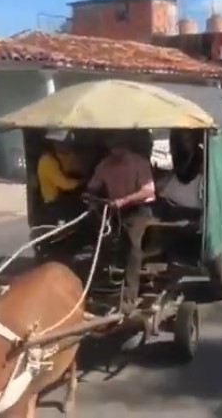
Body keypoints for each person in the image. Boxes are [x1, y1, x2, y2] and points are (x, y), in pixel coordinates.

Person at [86, 136, 156, 314]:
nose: (115, 150)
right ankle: (98, 289)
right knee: (101, 243)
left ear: (126, 145)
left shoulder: (139, 163)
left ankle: (129, 296)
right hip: (115, 210)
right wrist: (92, 198)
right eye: (112, 146)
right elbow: (92, 186)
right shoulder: (104, 165)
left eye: (118, 146)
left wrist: (124, 200)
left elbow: (148, 191)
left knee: (133, 245)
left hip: (138, 210)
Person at [37, 131, 85, 222]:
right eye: (62, 143)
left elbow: (79, 169)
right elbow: (64, 184)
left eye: (67, 142)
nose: (65, 145)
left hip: (70, 198)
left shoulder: (69, 155)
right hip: (55, 204)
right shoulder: (47, 161)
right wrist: (82, 182)